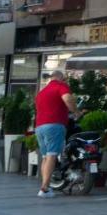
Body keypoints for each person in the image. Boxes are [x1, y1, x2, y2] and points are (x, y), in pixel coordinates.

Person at [34, 70, 80, 198]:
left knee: (45, 157)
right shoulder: (61, 86)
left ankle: (45, 186)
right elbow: (67, 99)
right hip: (54, 125)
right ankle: (44, 189)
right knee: (52, 156)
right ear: (60, 78)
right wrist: (76, 111)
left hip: (39, 127)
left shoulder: (42, 92)